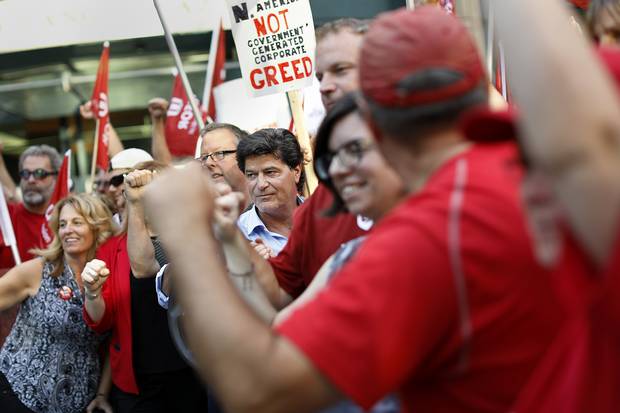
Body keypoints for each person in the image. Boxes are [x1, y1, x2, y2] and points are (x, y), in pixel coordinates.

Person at [139, 7, 573, 412]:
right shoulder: (518, 176)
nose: (342, 170)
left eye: (355, 148)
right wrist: (229, 236)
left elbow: (260, 387)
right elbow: (284, 310)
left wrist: (189, 236)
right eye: (332, 154)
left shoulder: (425, 236)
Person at [82, 162, 207, 413]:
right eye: (144, 189)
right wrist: (92, 292)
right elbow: (101, 322)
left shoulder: (194, 236)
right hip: (138, 381)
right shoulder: (111, 250)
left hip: (193, 372)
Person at [0, 194, 116, 413]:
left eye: (77, 222)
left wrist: (102, 394)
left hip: (79, 402)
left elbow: (115, 341)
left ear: (97, 227)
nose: (67, 230)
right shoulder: (38, 270)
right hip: (18, 393)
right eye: (62, 224)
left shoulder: (110, 275)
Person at [236, 128, 305, 255]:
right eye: (251, 175)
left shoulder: (324, 216)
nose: (261, 185)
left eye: (270, 173)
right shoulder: (236, 238)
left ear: (296, 171)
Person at [0, 145, 62, 268]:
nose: (31, 180)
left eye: (40, 173)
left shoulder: (67, 219)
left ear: (57, 177)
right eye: (25, 173)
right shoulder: (5, 216)